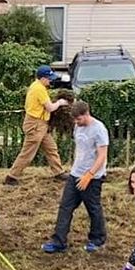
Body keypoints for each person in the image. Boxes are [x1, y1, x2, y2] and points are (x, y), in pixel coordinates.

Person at [42, 100, 109, 253]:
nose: (76, 122)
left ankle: (97, 239)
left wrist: (89, 175)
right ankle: (59, 241)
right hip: (75, 174)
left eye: (78, 119)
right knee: (65, 207)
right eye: (74, 120)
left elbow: (102, 156)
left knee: (93, 208)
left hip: (92, 177)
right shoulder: (77, 127)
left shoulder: (99, 129)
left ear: (86, 114)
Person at [4, 65, 71, 185]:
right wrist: (60, 103)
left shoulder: (37, 86)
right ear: (43, 78)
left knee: (51, 148)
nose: (51, 80)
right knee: (28, 153)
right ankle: (11, 177)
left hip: (41, 124)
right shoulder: (39, 89)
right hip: (35, 125)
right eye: (49, 78)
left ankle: (58, 172)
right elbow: (50, 108)